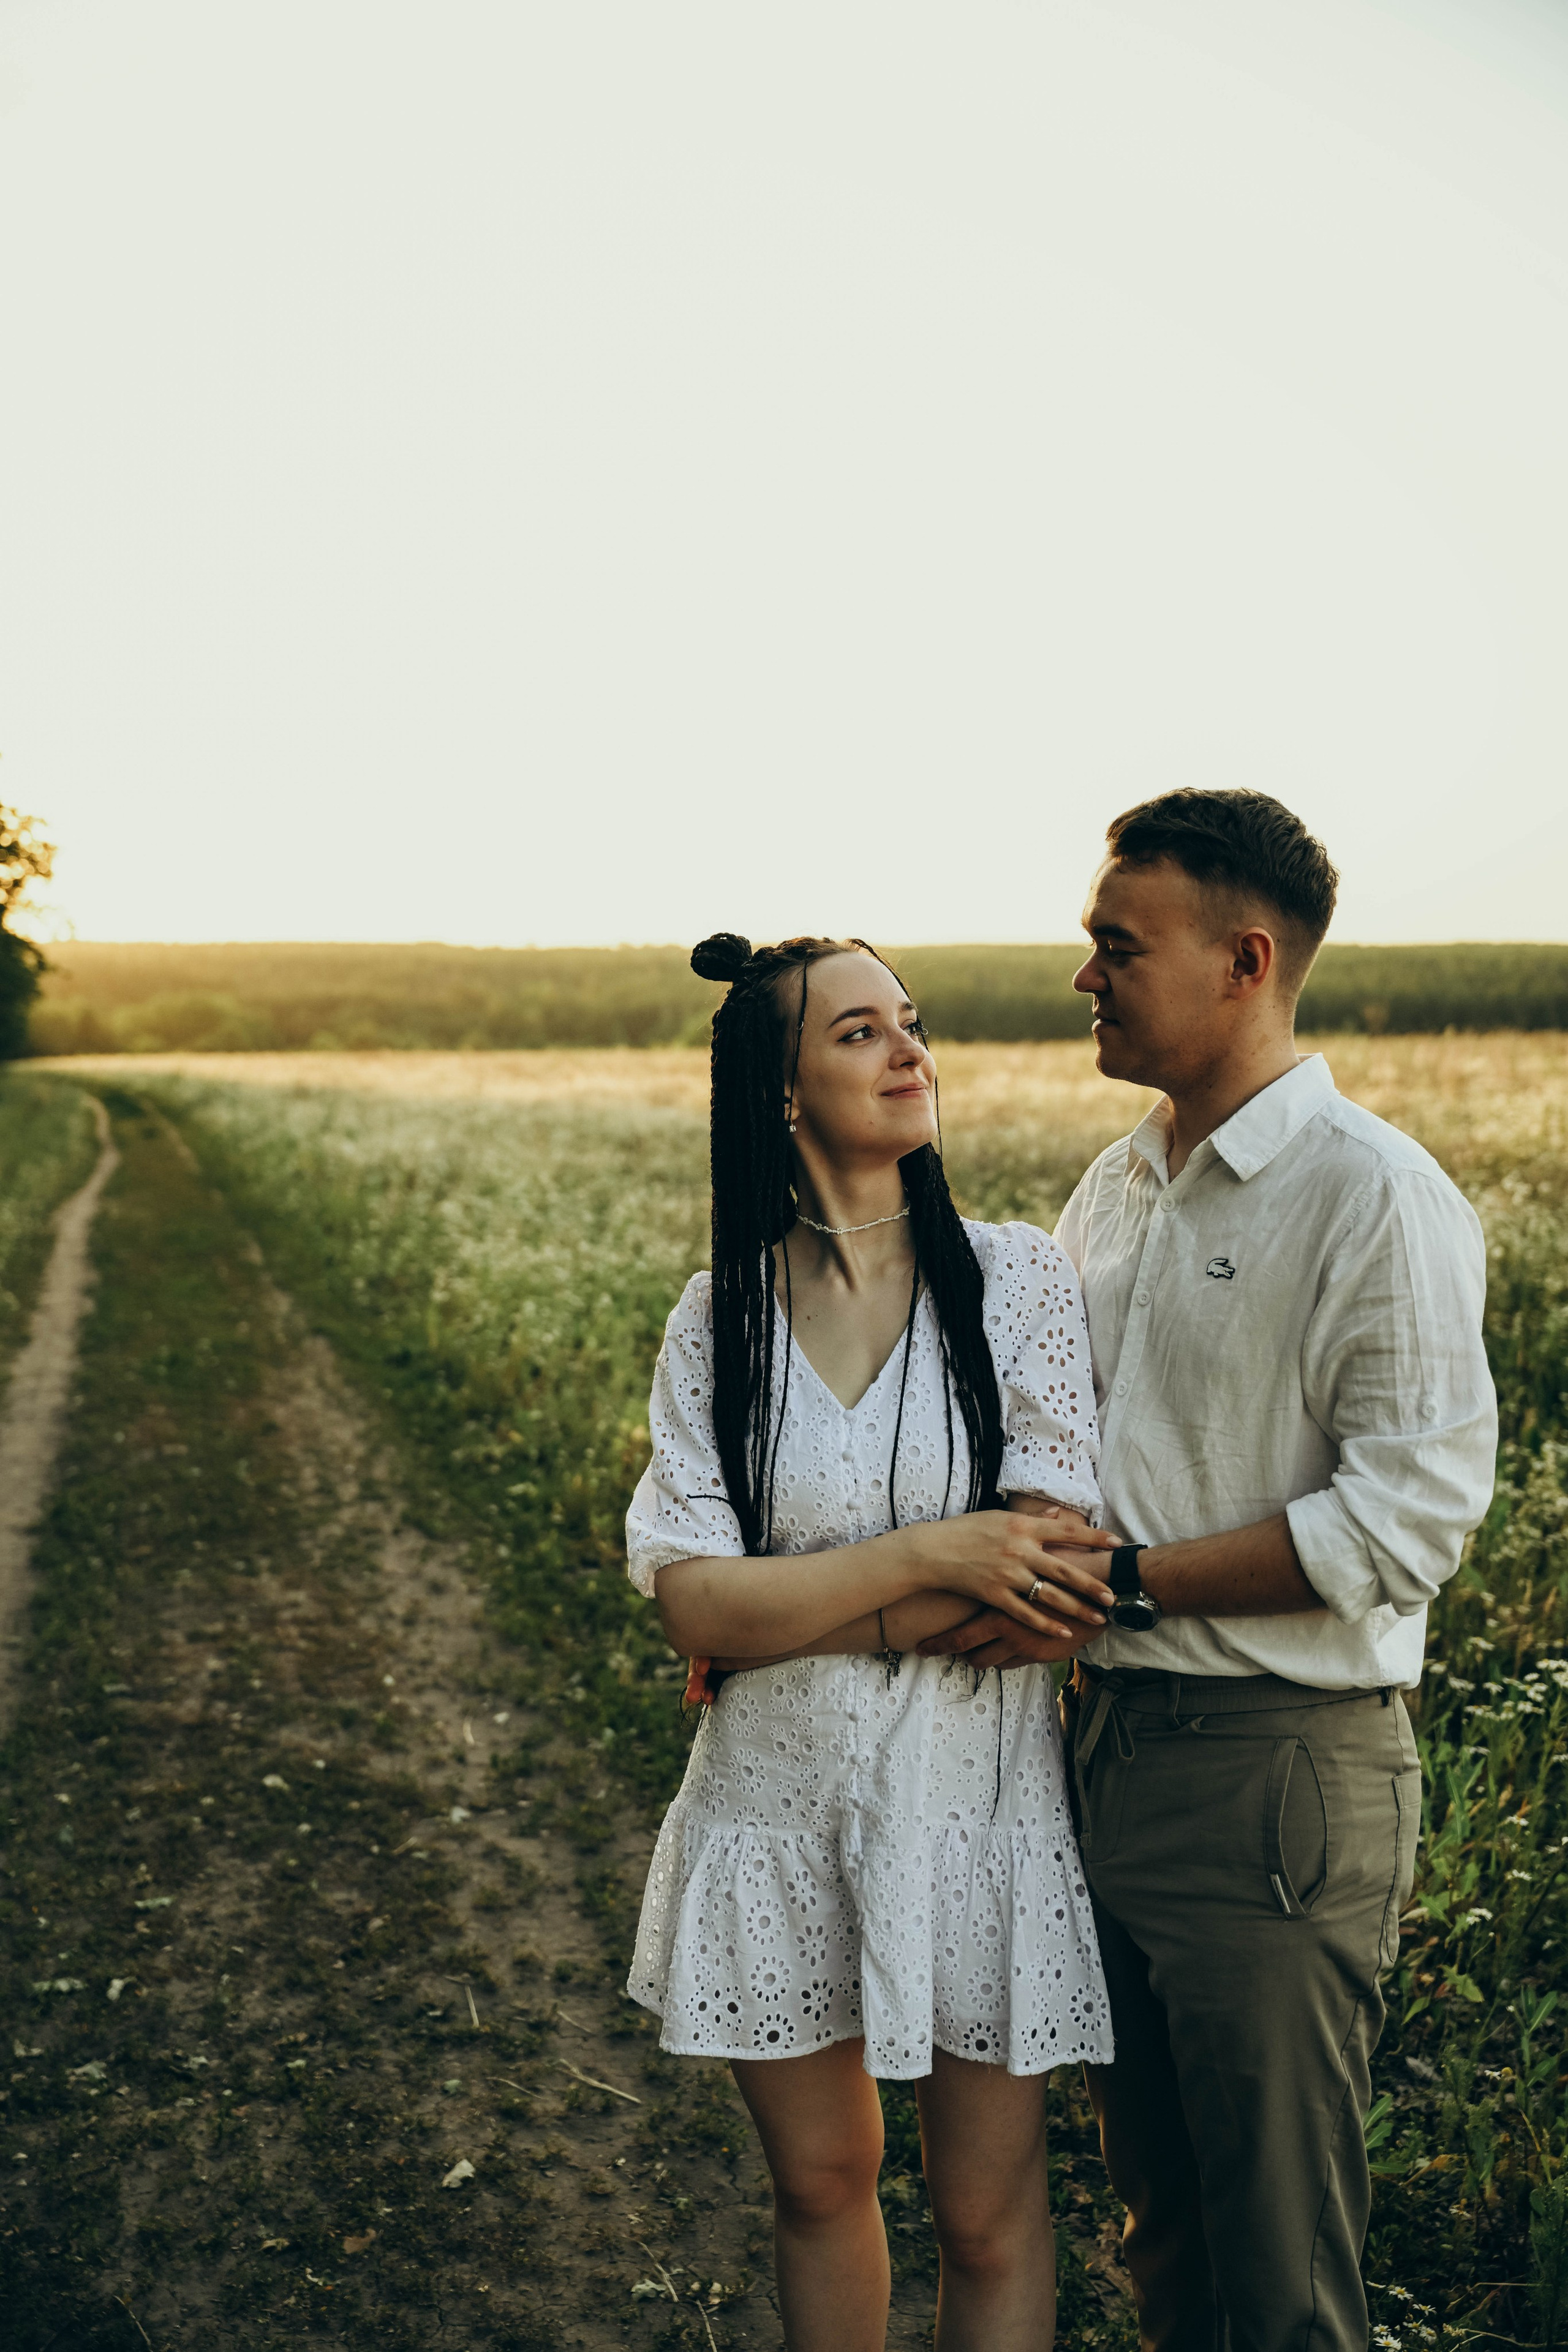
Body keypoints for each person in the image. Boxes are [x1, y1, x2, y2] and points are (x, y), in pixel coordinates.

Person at [920, 790, 1498, 2352]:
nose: (1084, 976)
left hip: (1272, 1781)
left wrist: (1123, 1589)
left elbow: (1403, 1525)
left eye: (1117, 946)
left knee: (1275, 2263)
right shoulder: (1116, 1186)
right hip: (1097, 1752)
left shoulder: (1372, 1197)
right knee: (1161, 2233)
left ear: (1243, 960)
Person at [623, 930, 1118, 2352]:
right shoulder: (720, 1319)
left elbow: (1042, 1583)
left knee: (985, 2212)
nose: (910, 1050)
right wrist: (924, 1557)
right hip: (770, 1811)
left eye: (909, 1020)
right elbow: (693, 1605)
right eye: (858, 1032)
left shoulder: (1010, 1281)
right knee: (823, 2183)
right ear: (779, 1093)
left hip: (973, 1814)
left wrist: (803, 1610)